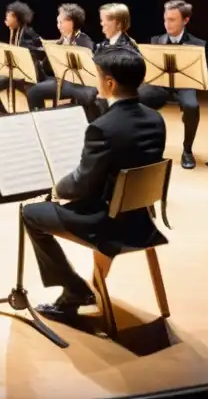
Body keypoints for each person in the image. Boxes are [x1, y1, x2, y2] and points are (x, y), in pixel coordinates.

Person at [21, 46, 166, 321]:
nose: (95, 81)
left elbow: (81, 185)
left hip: (108, 223)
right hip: (140, 218)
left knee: (29, 213)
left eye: (97, 75)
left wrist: (55, 189)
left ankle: (75, 290)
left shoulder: (103, 126)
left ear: (109, 83)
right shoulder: (155, 118)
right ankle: (76, 288)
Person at [136, 0, 208, 170]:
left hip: (185, 85)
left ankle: (187, 150)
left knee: (191, 106)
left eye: (172, 20)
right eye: (165, 19)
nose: (167, 24)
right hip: (160, 84)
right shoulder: (156, 40)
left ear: (186, 20)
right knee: (134, 98)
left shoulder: (198, 44)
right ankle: (142, 146)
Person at [26, 4, 101, 121]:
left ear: (72, 22)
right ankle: (41, 122)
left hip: (79, 85)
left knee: (83, 96)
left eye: (62, 22)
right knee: (33, 92)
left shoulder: (84, 42)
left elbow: (88, 72)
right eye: (58, 22)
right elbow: (48, 69)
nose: (58, 26)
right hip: (61, 82)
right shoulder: (62, 40)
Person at [0, 0, 45, 116]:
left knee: (33, 92)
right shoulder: (13, 31)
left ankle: (38, 116)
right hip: (13, 74)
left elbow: (40, 51)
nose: (6, 17)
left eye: (9, 15)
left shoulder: (28, 33)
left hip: (27, 77)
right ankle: (1, 113)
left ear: (16, 17)